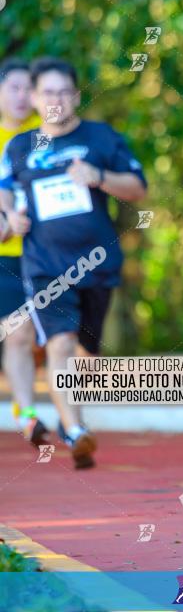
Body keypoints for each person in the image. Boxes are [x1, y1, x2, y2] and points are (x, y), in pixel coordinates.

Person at [0, 57, 147, 467]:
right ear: (33, 97)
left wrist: (99, 177)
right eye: (47, 92)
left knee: (86, 356)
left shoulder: (101, 138)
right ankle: (77, 430)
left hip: (98, 264)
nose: (56, 100)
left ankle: (70, 421)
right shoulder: (20, 147)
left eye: (64, 92)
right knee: (59, 343)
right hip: (45, 267)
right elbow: (5, 193)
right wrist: (10, 217)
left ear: (77, 96)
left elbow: (137, 188)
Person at [0, 58, 47, 446]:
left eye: (25, 89)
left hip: (29, 255)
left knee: (20, 334)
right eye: (12, 87)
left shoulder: (44, 138)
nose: (20, 96)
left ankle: (26, 411)